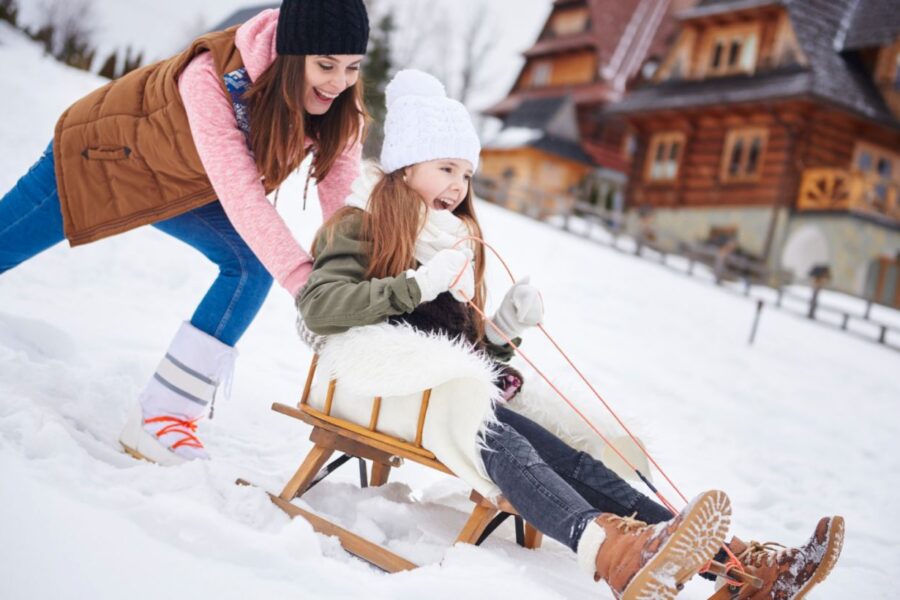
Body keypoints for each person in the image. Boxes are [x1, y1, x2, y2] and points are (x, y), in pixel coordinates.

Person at [296, 69, 845, 600]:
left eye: (467, 175)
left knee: (576, 460)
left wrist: (503, 331)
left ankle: (737, 564)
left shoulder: (449, 242)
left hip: (445, 396)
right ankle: (610, 553)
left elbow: (461, 356)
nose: (459, 187)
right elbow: (318, 307)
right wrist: (413, 288)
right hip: (384, 393)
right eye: (446, 168)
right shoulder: (358, 225)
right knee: (504, 441)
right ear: (406, 166)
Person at [0, 0, 370, 465]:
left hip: (182, 185)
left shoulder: (339, 108)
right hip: (99, 157)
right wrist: (308, 285)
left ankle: (162, 418)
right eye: (326, 65)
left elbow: (343, 207)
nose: (339, 82)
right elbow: (240, 195)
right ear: (292, 54)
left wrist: (356, 277)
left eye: (353, 67)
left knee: (247, 269)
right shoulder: (210, 76)